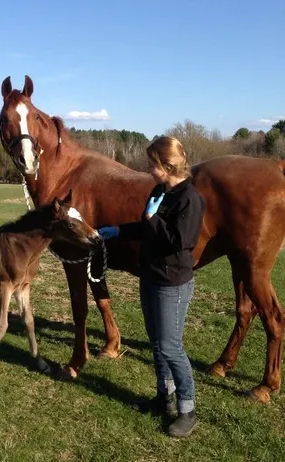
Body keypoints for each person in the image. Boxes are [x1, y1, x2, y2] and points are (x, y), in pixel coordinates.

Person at [98, 136, 205, 438]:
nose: (148, 170)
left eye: (152, 164)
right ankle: (164, 397)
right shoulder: (160, 191)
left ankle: (187, 410)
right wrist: (119, 230)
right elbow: (148, 229)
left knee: (172, 347)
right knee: (157, 344)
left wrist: (151, 218)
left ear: (166, 165)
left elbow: (181, 243)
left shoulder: (190, 199)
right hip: (151, 276)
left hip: (173, 282)